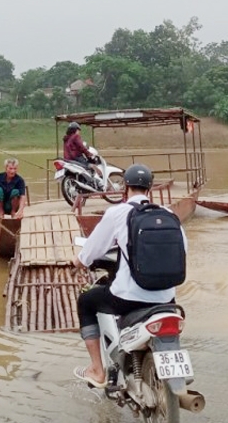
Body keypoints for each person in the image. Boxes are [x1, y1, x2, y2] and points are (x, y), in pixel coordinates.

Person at [71, 164, 187, 388]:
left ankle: (97, 369)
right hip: (167, 299)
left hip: (128, 297)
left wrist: (79, 261)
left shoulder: (118, 213)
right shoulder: (169, 215)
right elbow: (182, 250)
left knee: (86, 302)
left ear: (125, 188)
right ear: (150, 189)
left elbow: (94, 248)